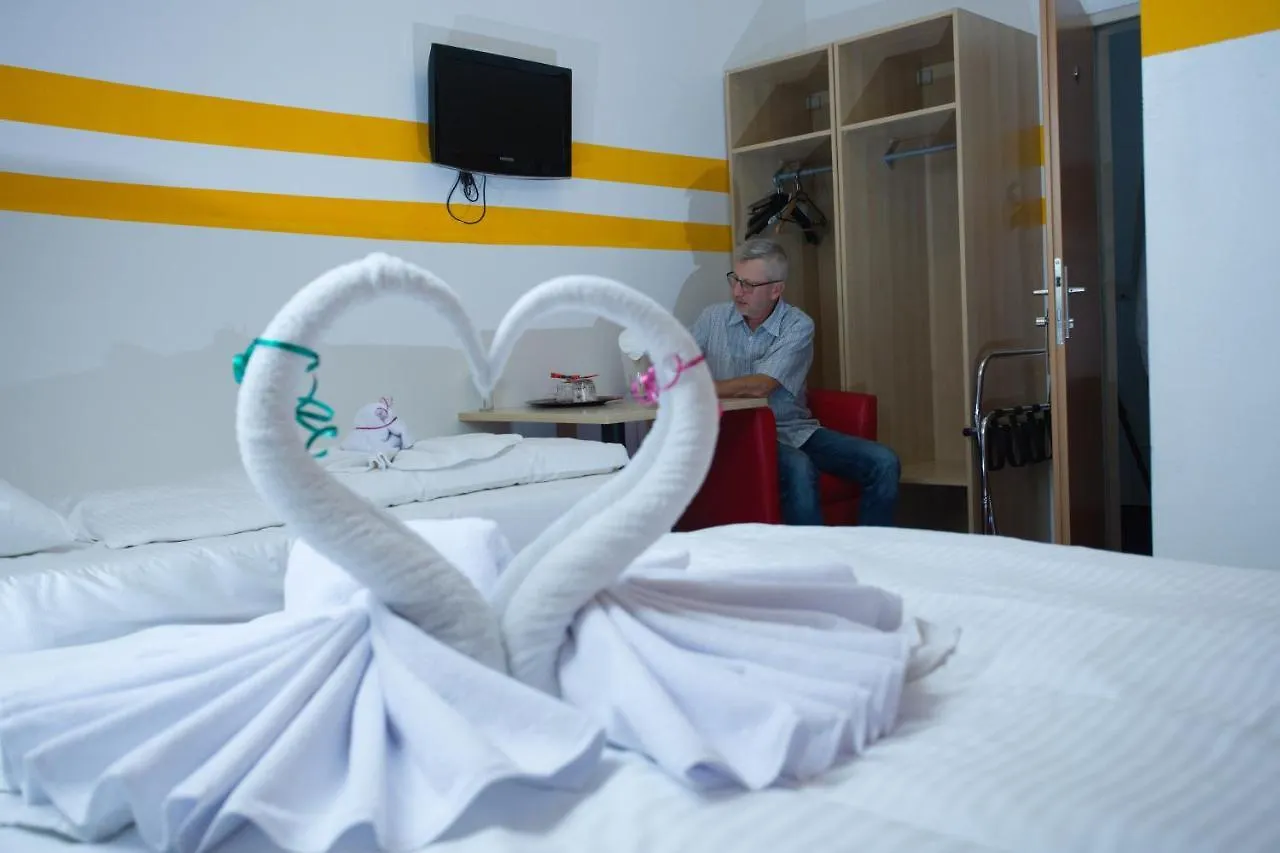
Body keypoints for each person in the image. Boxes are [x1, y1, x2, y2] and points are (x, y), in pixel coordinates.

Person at [690, 237, 900, 526]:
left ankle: (869, 549)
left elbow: (762, 385)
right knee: (799, 468)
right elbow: (677, 360)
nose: (738, 291)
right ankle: (808, 556)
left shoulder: (798, 325)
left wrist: (701, 389)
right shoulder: (712, 318)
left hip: (793, 429)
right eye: (735, 280)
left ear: (776, 290)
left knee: (884, 461)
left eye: (749, 285)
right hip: (738, 434)